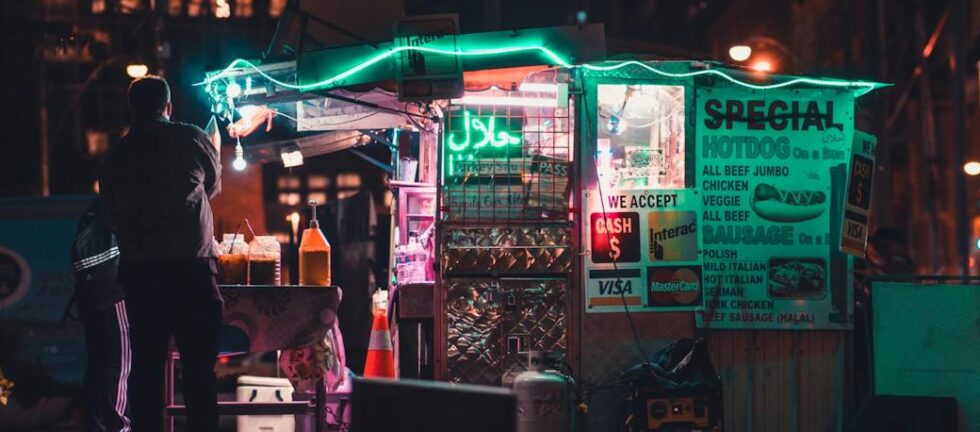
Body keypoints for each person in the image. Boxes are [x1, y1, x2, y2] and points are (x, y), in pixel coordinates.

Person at [101, 76, 222, 432]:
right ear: (168, 107)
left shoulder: (118, 155)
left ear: (132, 110)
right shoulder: (192, 138)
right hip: (194, 273)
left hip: (143, 277)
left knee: (147, 373)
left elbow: (109, 217)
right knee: (200, 372)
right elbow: (213, 187)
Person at [70, 197, 131, 431]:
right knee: (120, 364)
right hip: (113, 288)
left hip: (90, 290)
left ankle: (96, 425)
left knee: (98, 364)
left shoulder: (97, 206)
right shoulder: (129, 197)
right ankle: (119, 427)